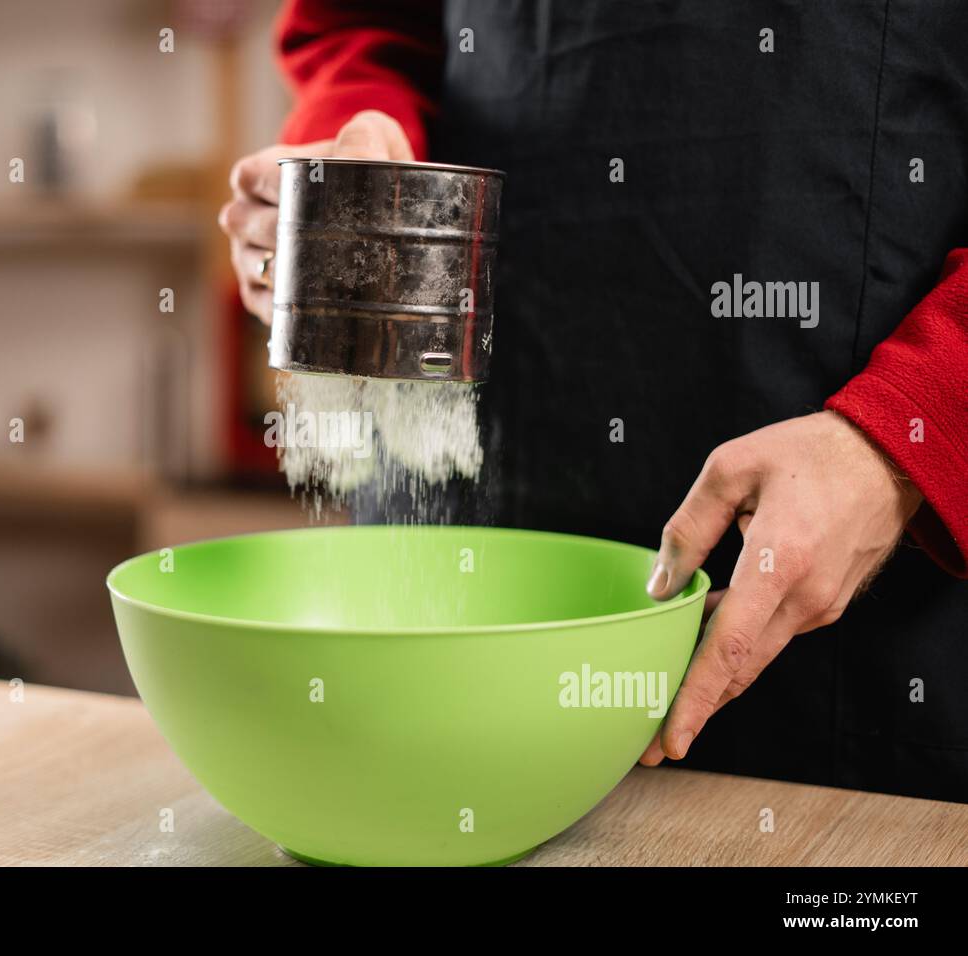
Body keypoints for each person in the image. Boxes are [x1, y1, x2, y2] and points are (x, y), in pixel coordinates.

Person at [220, 0, 968, 801]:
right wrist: (359, 142)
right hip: (463, 487)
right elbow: (359, 27)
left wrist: (906, 430)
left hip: (847, 594)